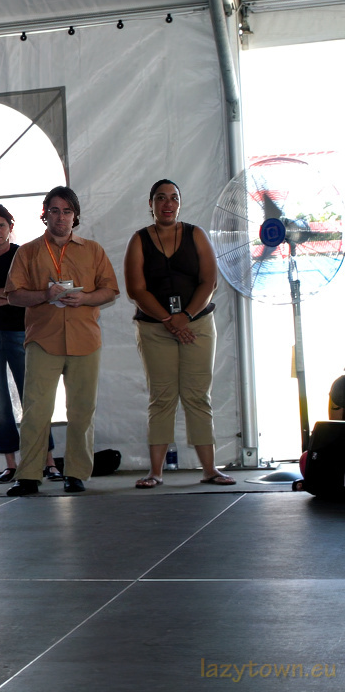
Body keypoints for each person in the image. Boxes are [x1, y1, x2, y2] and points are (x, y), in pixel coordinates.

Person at [4, 186, 119, 495]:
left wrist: (85, 298)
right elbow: (13, 295)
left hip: (85, 341)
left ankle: (76, 474)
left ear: (75, 216)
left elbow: (110, 290)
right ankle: (29, 476)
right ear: (45, 214)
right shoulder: (27, 252)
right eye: (54, 210)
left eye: (67, 211)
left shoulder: (93, 250)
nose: (61, 217)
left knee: (82, 411)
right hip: (43, 340)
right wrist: (44, 294)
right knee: (36, 411)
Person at [124, 179, 235, 488]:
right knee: (162, 397)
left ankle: (210, 470)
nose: (167, 203)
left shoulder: (195, 234)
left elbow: (209, 281)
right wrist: (168, 320)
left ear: (180, 203)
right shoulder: (139, 240)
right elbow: (136, 289)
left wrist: (185, 317)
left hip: (196, 325)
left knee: (198, 395)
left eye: (173, 198)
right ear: (151, 204)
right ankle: (155, 473)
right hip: (154, 328)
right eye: (160, 198)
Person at [0, 199, 61, 483]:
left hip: (21, 333)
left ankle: (49, 462)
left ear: (10, 227)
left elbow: (32, 294)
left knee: (32, 398)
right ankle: (11, 464)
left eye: (1, 226)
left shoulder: (24, 254)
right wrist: (8, 294)